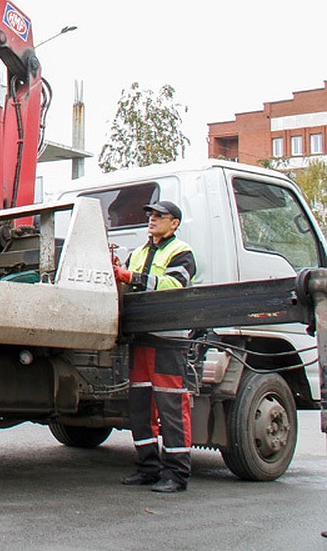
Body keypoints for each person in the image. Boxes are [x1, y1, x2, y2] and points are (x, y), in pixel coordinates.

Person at [112, 199, 197, 494]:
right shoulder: (138, 252)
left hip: (168, 341)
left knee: (171, 408)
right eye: (150, 214)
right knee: (140, 407)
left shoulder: (181, 252)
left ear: (174, 223)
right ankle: (148, 468)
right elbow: (123, 283)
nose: (152, 219)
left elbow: (175, 284)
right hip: (141, 339)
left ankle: (176, 473)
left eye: (160, 215)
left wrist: (132, 277)